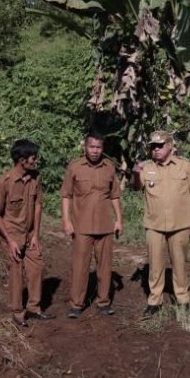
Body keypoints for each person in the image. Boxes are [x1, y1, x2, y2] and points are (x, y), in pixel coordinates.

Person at [131, 131, 190, 318]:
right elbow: (137, 188)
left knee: (180, 264)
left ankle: (182, 299)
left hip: (180, 225)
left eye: (160, 145)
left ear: (170, 145)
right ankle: (154, 301)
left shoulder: (184, 166)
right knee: (155, 265)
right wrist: (136, 174)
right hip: (154, 225)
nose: (155, 149)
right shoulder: (146, 168)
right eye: (153, 146)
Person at [0, 139, 56, 326]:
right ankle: (17, 312)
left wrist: (35, 234)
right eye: (33, 158)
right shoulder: (5, 182)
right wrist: (10, 241)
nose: (35, 161)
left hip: (29, 235)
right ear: (21, 160)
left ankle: (34, 308)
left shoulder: (36, 177)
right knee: (17, 273)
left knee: (37, 266)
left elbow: (38, 204)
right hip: (12, 235)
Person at [60, 131, 123, 318]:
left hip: (105, 226)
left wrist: (119, 219)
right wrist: (66, 221)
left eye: (98, 147)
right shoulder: (75, 167)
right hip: (82, 226)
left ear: (102, 149)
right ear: (85, 147)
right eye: (91, 147)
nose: (95, 151)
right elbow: (66, 196)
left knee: (105, 266)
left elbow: (115, 196)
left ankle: (103, 302)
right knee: (80, 266)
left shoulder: (109, 167)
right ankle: (76, 304)